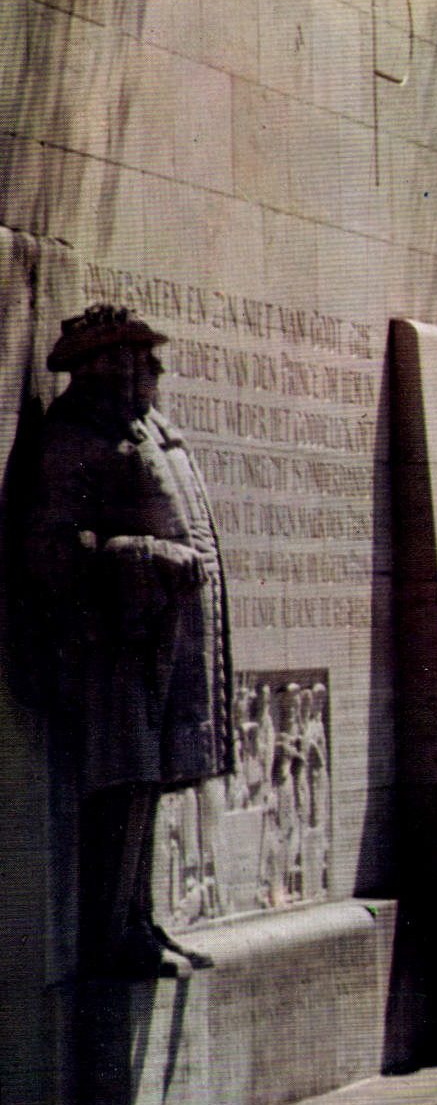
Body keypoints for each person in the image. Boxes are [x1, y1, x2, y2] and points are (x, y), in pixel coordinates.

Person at [28, 304, 234, 978]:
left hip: (160, 637)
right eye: (143, 356)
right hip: (111, 644)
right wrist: (145, 556)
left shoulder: (147, 429)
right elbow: (52, 549)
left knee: (149, 781)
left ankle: (141, 923)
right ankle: (111, 935)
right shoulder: (72, 436)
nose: (157, 368)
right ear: (109, 364)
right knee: (122, 781)